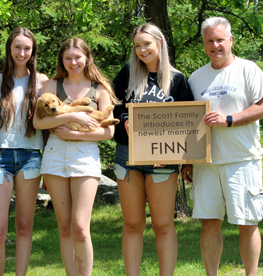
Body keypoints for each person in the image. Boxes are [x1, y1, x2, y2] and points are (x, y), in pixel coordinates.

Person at [182, 17, 263, 276]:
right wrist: (187, 160)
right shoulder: (196, 78)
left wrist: (229, 120)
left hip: (242, 159)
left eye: (219, 39)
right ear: (204, 45)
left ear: (230, 40)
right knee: (209, 224)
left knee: (246, 223)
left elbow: (261, 106)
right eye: (209, 41)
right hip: (206, 163)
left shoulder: (249, 70)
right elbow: (188, 120)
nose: (215, 45)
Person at [113, 23, 193, 276]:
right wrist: (125, 117)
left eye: (146, 44)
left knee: (162, 224)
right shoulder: (127, 74)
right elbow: (113, 107)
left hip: (164, 159)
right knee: (133, 224)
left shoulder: (178, 79)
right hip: (128, 157)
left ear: (159, 42)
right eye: (137, 46)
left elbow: (189, 122)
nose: (142, 50)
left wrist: (178, 158)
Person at [33, 37, 119, 276]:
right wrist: (75, 118)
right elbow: (38, 121)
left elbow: (109, 132)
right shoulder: (52, 85)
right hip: (54, 155)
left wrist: (73, 132)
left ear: (86, 58)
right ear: (62, 60)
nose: (73, 62)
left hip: (85, 155)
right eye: (68, 58)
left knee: (80, 227)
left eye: (77, 57)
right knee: (64, 227)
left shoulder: (99, 88)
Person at [0, 27, 48, 276]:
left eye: (27, 48)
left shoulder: (41, 81)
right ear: (9, 48)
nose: (22, 52)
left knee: (24, 227)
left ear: (33, 51)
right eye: (17, 47)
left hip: (31, 156)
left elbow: (48, 122)